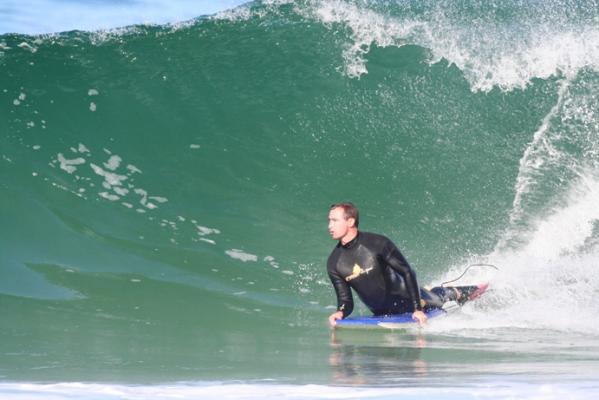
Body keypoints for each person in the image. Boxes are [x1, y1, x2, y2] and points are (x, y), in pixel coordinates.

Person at [327, 202, 469, 328]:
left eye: (334, 220)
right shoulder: (334, 262)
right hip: (382, 314)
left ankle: (455, 292)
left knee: (440, 300)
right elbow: (346, 300)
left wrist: (417, 309)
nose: (330, 225)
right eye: (329, 221)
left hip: (412, 301)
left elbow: (407, 272)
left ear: (350, 221)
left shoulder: (377, 244)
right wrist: (340, 312)